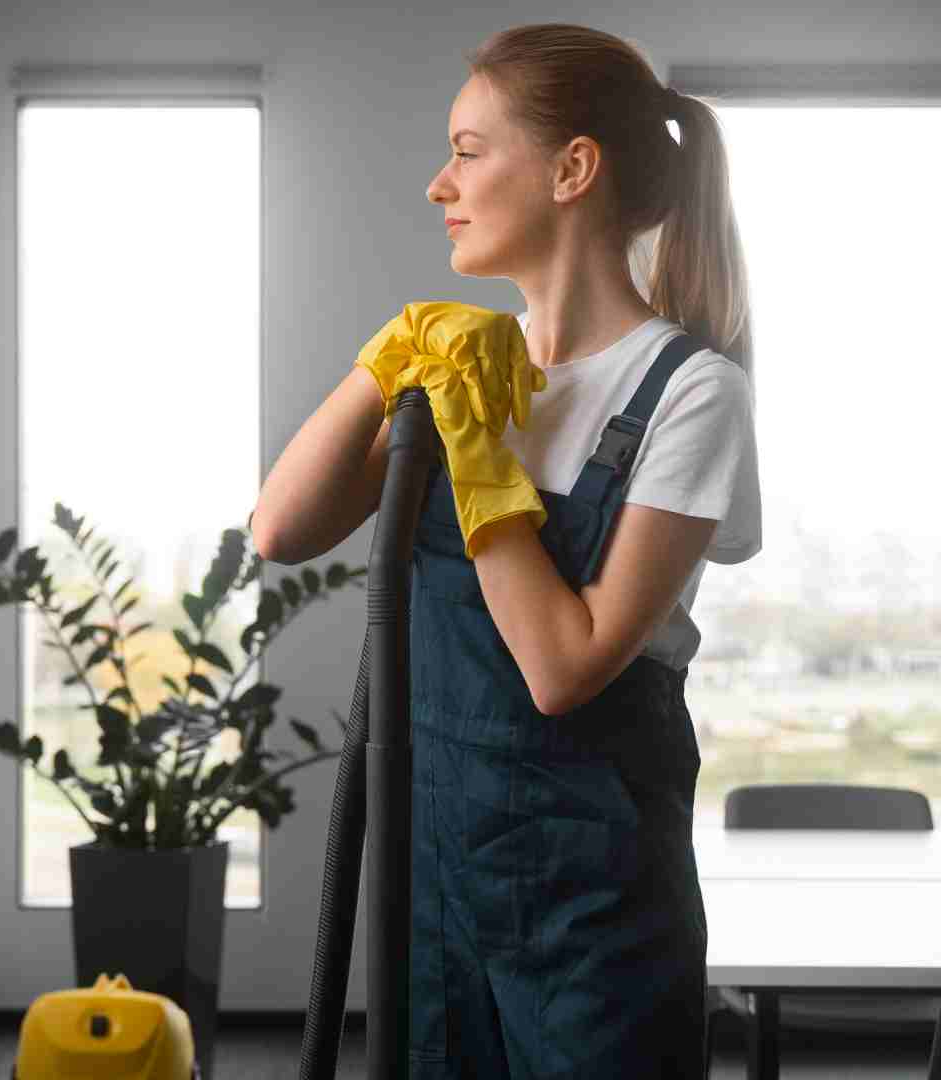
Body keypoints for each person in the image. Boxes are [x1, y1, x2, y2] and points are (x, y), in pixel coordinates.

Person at [251, 23, 763, 1080]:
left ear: (573, 168)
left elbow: (565, 666)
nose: (441, 184)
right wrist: (387, 358)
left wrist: (479, 452)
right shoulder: (463, 364)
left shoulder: (690, 393)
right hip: (437, 887)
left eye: (470, 150)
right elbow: (281, 530)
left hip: (598, 910)